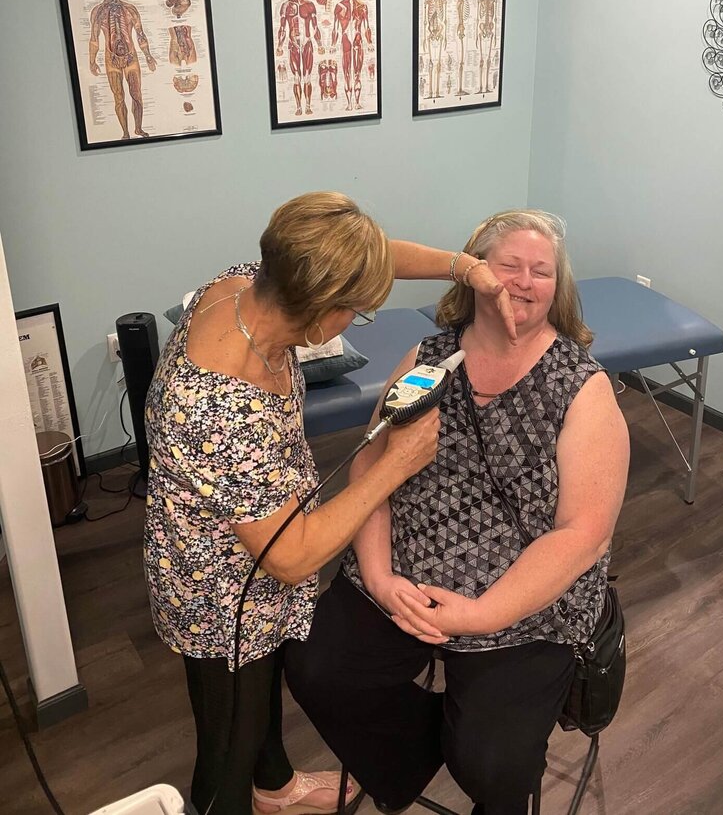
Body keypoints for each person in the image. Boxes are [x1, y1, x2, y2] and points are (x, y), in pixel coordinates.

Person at [143, 191, 516, 815]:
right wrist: (394, 464)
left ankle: (277, 788)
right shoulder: (221, 408)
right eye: (356, 312)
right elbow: (292, 558)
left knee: (260, 703)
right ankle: (240, 796)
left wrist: (464, 266)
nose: (356, 318)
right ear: (321, 317)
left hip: (245, 539)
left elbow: (367, 261)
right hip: (217, 590)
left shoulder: (245, 285)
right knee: (225, 748)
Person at [285, 209, 630, 815]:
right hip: (406, 574)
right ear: (474, 275)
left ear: (559, 287)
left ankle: (477, 755)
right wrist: (380, 578)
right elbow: (370, 469)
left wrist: (480, 613)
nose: (523, 282)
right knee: (316, 669)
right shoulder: (430, 355)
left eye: (541, 271)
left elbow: (584, 533)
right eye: (508, 266)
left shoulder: (583, 385)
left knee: (493, 763)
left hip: (524, 598)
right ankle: (422, 755)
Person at [89, 0, 157, 139]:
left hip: (131, 57)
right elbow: (94, 38)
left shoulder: (130, 9)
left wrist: (148, 55)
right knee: (119, 97)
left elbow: (140, 34)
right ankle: (125, 132)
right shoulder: (98, 12)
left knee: (136, 94)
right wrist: (92, 61)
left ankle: (138, 128)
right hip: (111, 59)